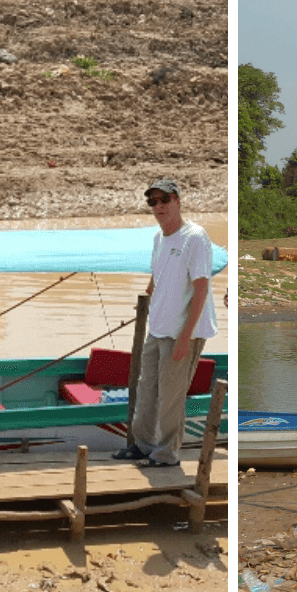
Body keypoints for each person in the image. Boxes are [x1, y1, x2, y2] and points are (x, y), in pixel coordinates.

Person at [113, 179, 216, 468]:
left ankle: (167, 453)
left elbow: (202, 288)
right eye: (153, 201)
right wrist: (148, 294)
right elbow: (157, 273)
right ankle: (143, 445)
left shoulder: (195, 238)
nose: (159, 206)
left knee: (171, 397)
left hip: (181, 332)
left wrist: (185, 337)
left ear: (177, 201)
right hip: (157, 328)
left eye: (164, 200)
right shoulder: (159, 238)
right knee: (146, 391)